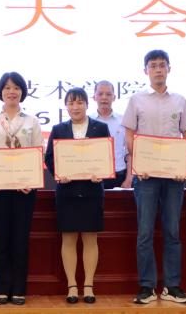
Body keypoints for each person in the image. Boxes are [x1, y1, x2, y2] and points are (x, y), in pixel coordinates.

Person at [122, 49, 186, 304]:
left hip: (174, 178)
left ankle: (172, 286)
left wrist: (182, 165)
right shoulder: (136, 100)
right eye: (153, 65)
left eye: (162, 65)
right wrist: (139, 161)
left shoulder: (180, 101)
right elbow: (129, 134)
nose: (158, 69)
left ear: (169, 69)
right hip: (146, 176)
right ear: (146, 71)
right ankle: (147, 287)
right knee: (145, 232)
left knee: (172, 231)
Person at [0, 72, 44, 305]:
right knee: (2, 238)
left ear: (22, 91)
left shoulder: (31, 120)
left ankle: (19, 289)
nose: (11, 91)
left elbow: (38, 152)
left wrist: (32, 181)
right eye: (7, 87)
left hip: (25, 189)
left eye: (16, 87)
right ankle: (2, 288)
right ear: (0, 92)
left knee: (20, 239)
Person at [46, 87, 110, 305]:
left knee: (91, 238)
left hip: (92, 191)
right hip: (67, 191)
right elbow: (50, 158)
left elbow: (106, 156)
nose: (76, 107)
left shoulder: (100, 128)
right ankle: (72, 285)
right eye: (71, 103)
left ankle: (89, 285)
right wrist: (59, 173)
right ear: (66, 106)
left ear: (87, 104)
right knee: (69, 238)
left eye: (80, 102)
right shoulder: (58, 129)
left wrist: (101, 173)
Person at [93, 81, 128, 189]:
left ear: (114, 97)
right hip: (93, 176)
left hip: (119, 175)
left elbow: (130, 152)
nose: (104, 97)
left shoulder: (123, 121)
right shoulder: (87, 121)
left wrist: (129, 179)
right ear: (94, 97)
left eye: (108, 94)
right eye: (100, 94)